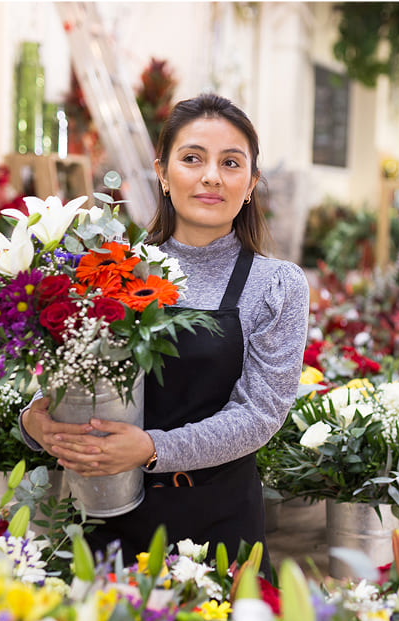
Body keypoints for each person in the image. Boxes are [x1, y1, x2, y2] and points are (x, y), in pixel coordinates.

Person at [20, 93, 310, 567]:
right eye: (192, 158)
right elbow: (55, 377)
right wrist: (34, 420)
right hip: (107, 511)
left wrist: (152, 448)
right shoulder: (108, 267)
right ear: (162, 173)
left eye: (231, 163)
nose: (211, 176)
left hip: (217, 521)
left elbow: (260, 413)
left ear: (252, 183)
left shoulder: (276, 286)